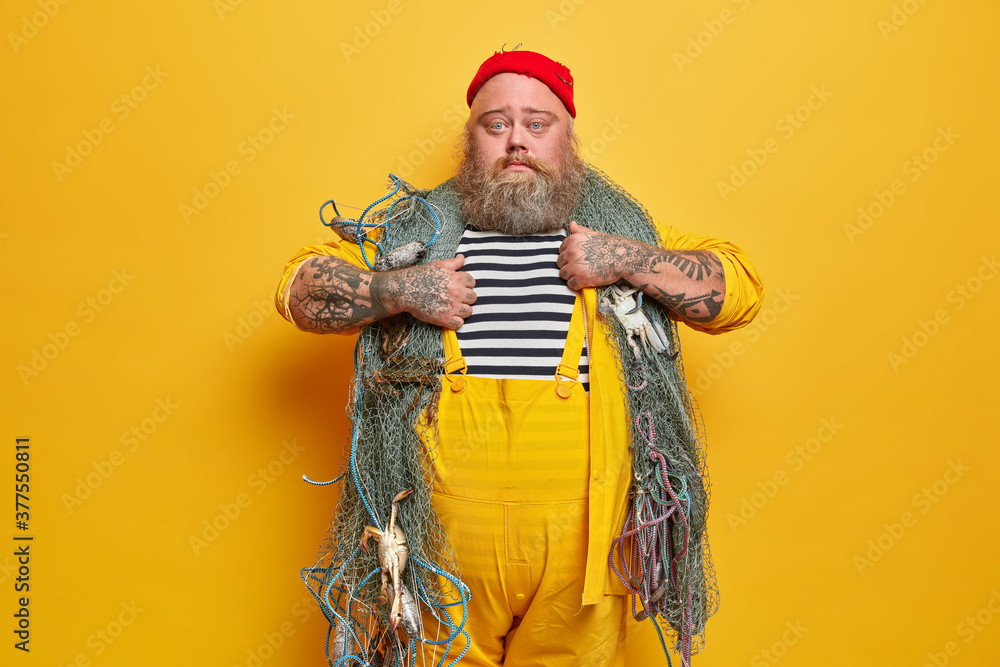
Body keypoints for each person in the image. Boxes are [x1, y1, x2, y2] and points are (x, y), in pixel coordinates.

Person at [275, 49, 763, 667]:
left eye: (537, 123)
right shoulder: (410, 235)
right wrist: (399, 290)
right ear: (470, 139)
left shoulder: (620, 233)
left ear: (568, 139)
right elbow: (298, 287)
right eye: (495, 124)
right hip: (434, 554)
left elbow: (735, 292)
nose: (516, 142)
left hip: (583, 564)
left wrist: (629, 261)